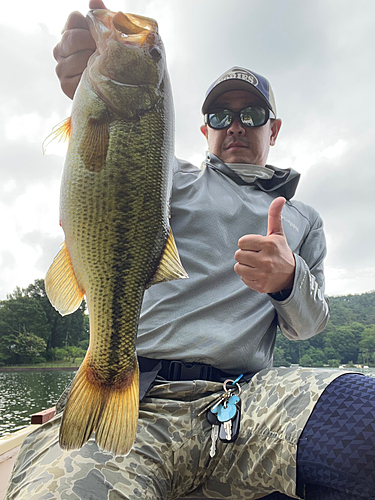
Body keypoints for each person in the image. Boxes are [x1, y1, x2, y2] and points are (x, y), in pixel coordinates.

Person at [6, 2, 375, 500]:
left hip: (245, 401)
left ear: (274, 128)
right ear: (203, 131)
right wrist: (87, 82)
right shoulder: (168, 178)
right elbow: (114, 151)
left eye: (252, 114)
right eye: (221, 115)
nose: (236, 125)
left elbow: (308, 325)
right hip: (139, 396)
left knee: (365, 426)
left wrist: (289, 280)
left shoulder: (303, 218)